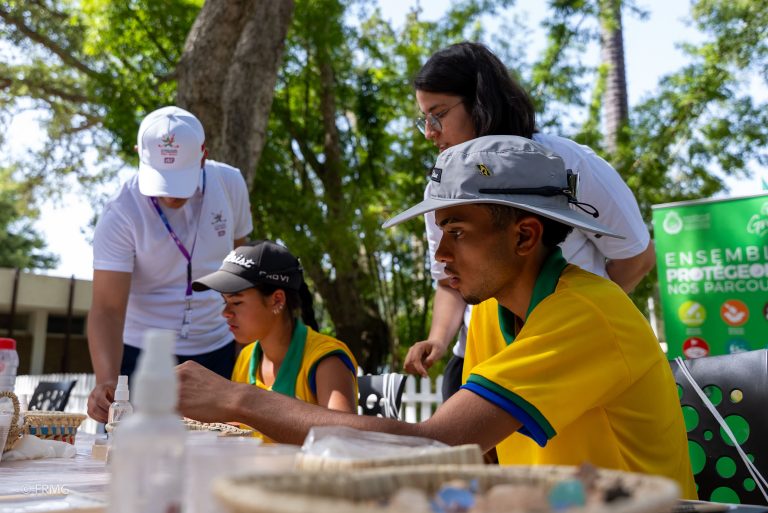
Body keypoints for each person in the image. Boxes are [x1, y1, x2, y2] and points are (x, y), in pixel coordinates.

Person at [176, 136, 696, 498]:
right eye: (439, 232)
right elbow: (480, 457)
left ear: (524, 236)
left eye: (458, 232)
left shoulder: (587, 312)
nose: (440, 254)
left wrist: (236, 400)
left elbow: (438, 443)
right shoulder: (493, 315)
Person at [404, 42, 656, 401]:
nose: (430, 132)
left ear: (480, 101)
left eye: (438, 114)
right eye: (423, 120)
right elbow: (448, 281)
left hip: (566, 356)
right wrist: (438, 339)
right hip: (478, 362)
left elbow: (636, 256)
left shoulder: (566, 163)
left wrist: (579, 319)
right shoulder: (441, 185)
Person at [87, 106, 253, 423]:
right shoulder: (121, 211)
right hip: (142, 353)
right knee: (136, 455)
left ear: (203, 155)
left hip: (215, 343)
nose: (171, 195)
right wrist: (106, 379)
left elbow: (240, 273)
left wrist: (246, 355)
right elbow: (107, 307)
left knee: (216, 452)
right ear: (139, 154)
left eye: (180, 180)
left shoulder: (230, 185)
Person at [191, 239, 358, 421]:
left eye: (236, 302)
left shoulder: (325, 360)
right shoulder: (246, 359)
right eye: (225, 302)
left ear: (277, 300)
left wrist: (246, 401)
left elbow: (343, 438)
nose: (225, 313)